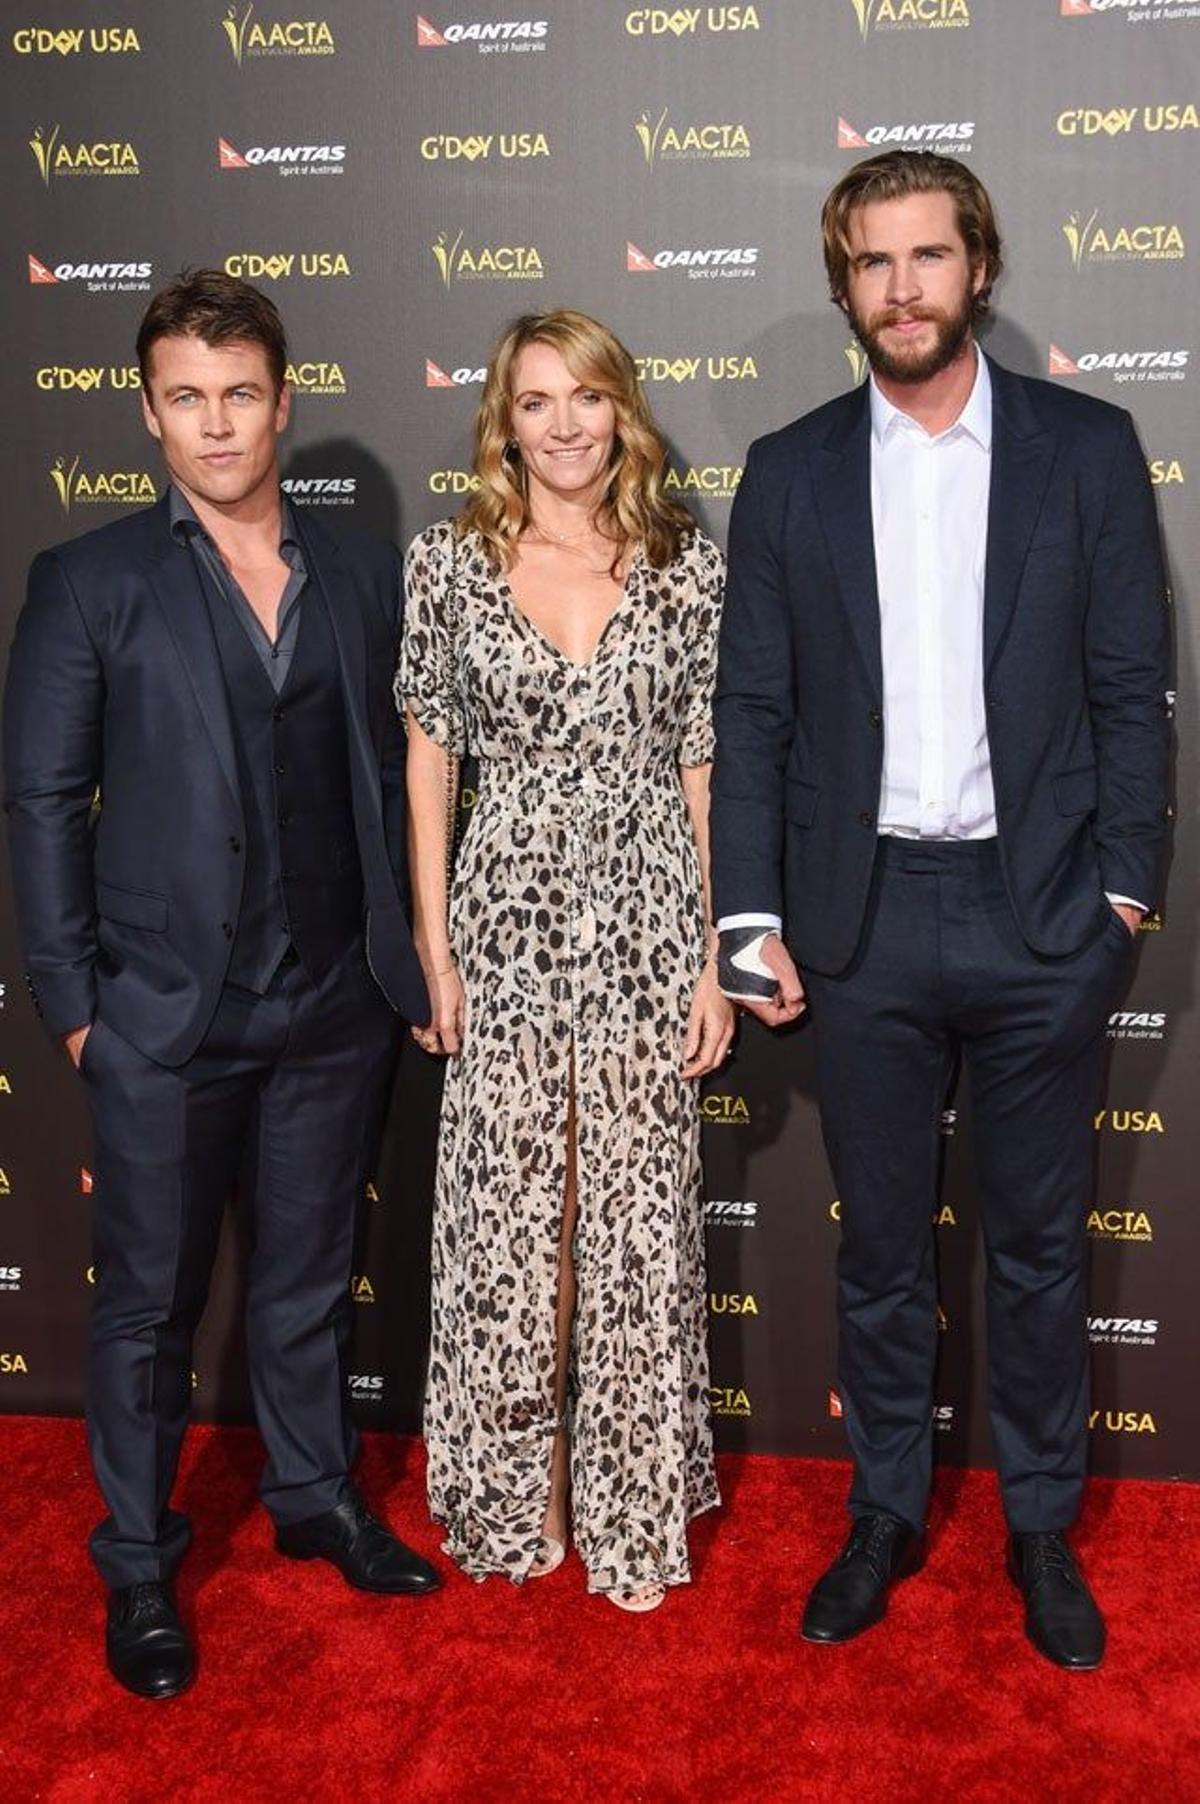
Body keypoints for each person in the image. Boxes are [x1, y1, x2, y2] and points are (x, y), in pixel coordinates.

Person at [711, 152, 1170, 1670]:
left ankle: (1041, 1527)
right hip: (863, 920)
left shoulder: (1089, 449)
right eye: (870, 263)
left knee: (1039, 1249)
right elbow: (758, 707)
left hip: (1042, 915)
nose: (900, 288)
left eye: (927, 257)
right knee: (884, 1252)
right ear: (842, 284)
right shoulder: (788, 469)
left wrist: (1120, 890)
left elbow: (1131, 693)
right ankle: (887, 1512)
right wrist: (749, 913)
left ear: (979, 266)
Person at [3, 271, 440, 1701]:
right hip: (164, 1015)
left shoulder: (368, 571)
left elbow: (397, 777)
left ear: (282, 401)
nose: (214, 424)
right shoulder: (90, 581)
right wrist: (78, 1002)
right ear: (148, 412)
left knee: (309, 1283)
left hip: (333, 1008)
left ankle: (314, 1500)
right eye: (184, 397)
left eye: (238, 393)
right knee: (145, 1305)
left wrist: (405, 961)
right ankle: (138, 1562)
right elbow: (42, 801)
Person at [397, 308, 730, 1612]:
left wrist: (713, 956)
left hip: (652, 932)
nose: (565, 425)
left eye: (587, 398)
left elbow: (705, 768)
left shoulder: (685, 570)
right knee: (510, 1234)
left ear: (621, 411)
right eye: (537, 401)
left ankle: (632, 1504)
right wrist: (434, 946)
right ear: (505, 420)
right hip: (505, 937)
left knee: (635, 1228)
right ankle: (516, 1492)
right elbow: (430, 754)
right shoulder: (452, 566)